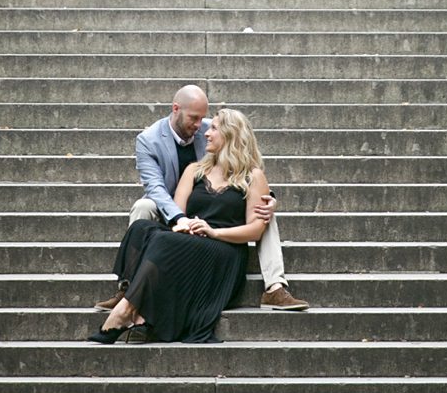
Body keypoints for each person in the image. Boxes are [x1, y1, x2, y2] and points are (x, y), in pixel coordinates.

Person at [100, 84, 309, 311]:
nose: (201, 127)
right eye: (194, 118)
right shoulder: (148, 140)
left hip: (214, 207)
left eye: (204, 119)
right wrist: (180, 218)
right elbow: (156, 189)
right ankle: (128, 287)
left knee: (264, 212)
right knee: (142, 207)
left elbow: (247, 169)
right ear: (176, 109)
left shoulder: (211, 129)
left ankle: (275, 287)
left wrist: (267, 198)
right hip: (169, 203)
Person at [92, 109, 273, 343]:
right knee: (140, 229)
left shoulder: (252, 176)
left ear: (230, 135)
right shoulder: (194, 170)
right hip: (190, 239)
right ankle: (132, 298)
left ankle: (125, 311)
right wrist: (187, 227)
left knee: (164, 240)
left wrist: (213, 231)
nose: (206, 133)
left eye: (214, 128)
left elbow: (255, 230)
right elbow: (178, 213)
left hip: (223, 250)